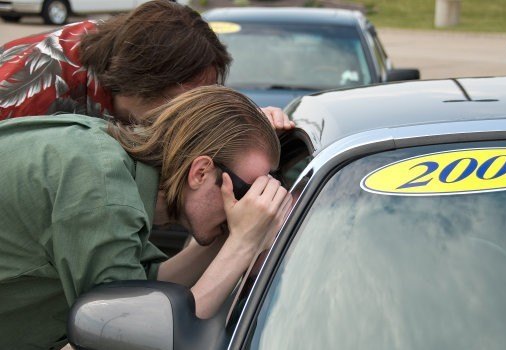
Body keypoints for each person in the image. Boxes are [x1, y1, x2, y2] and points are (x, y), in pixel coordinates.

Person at [0, 85, 293, 350]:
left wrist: (235, 236)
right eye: (247, 191)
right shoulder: (100, 187)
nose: (251, 205)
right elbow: (134, 336)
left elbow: (144, 287)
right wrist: (243, 244)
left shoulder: (106, 158)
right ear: (200, 172)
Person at [0, 0, 293, 130]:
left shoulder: (119, 48)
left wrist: (249, 120)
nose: (189, 115)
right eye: (183, 103)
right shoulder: (33, 90)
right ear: (144, 80)